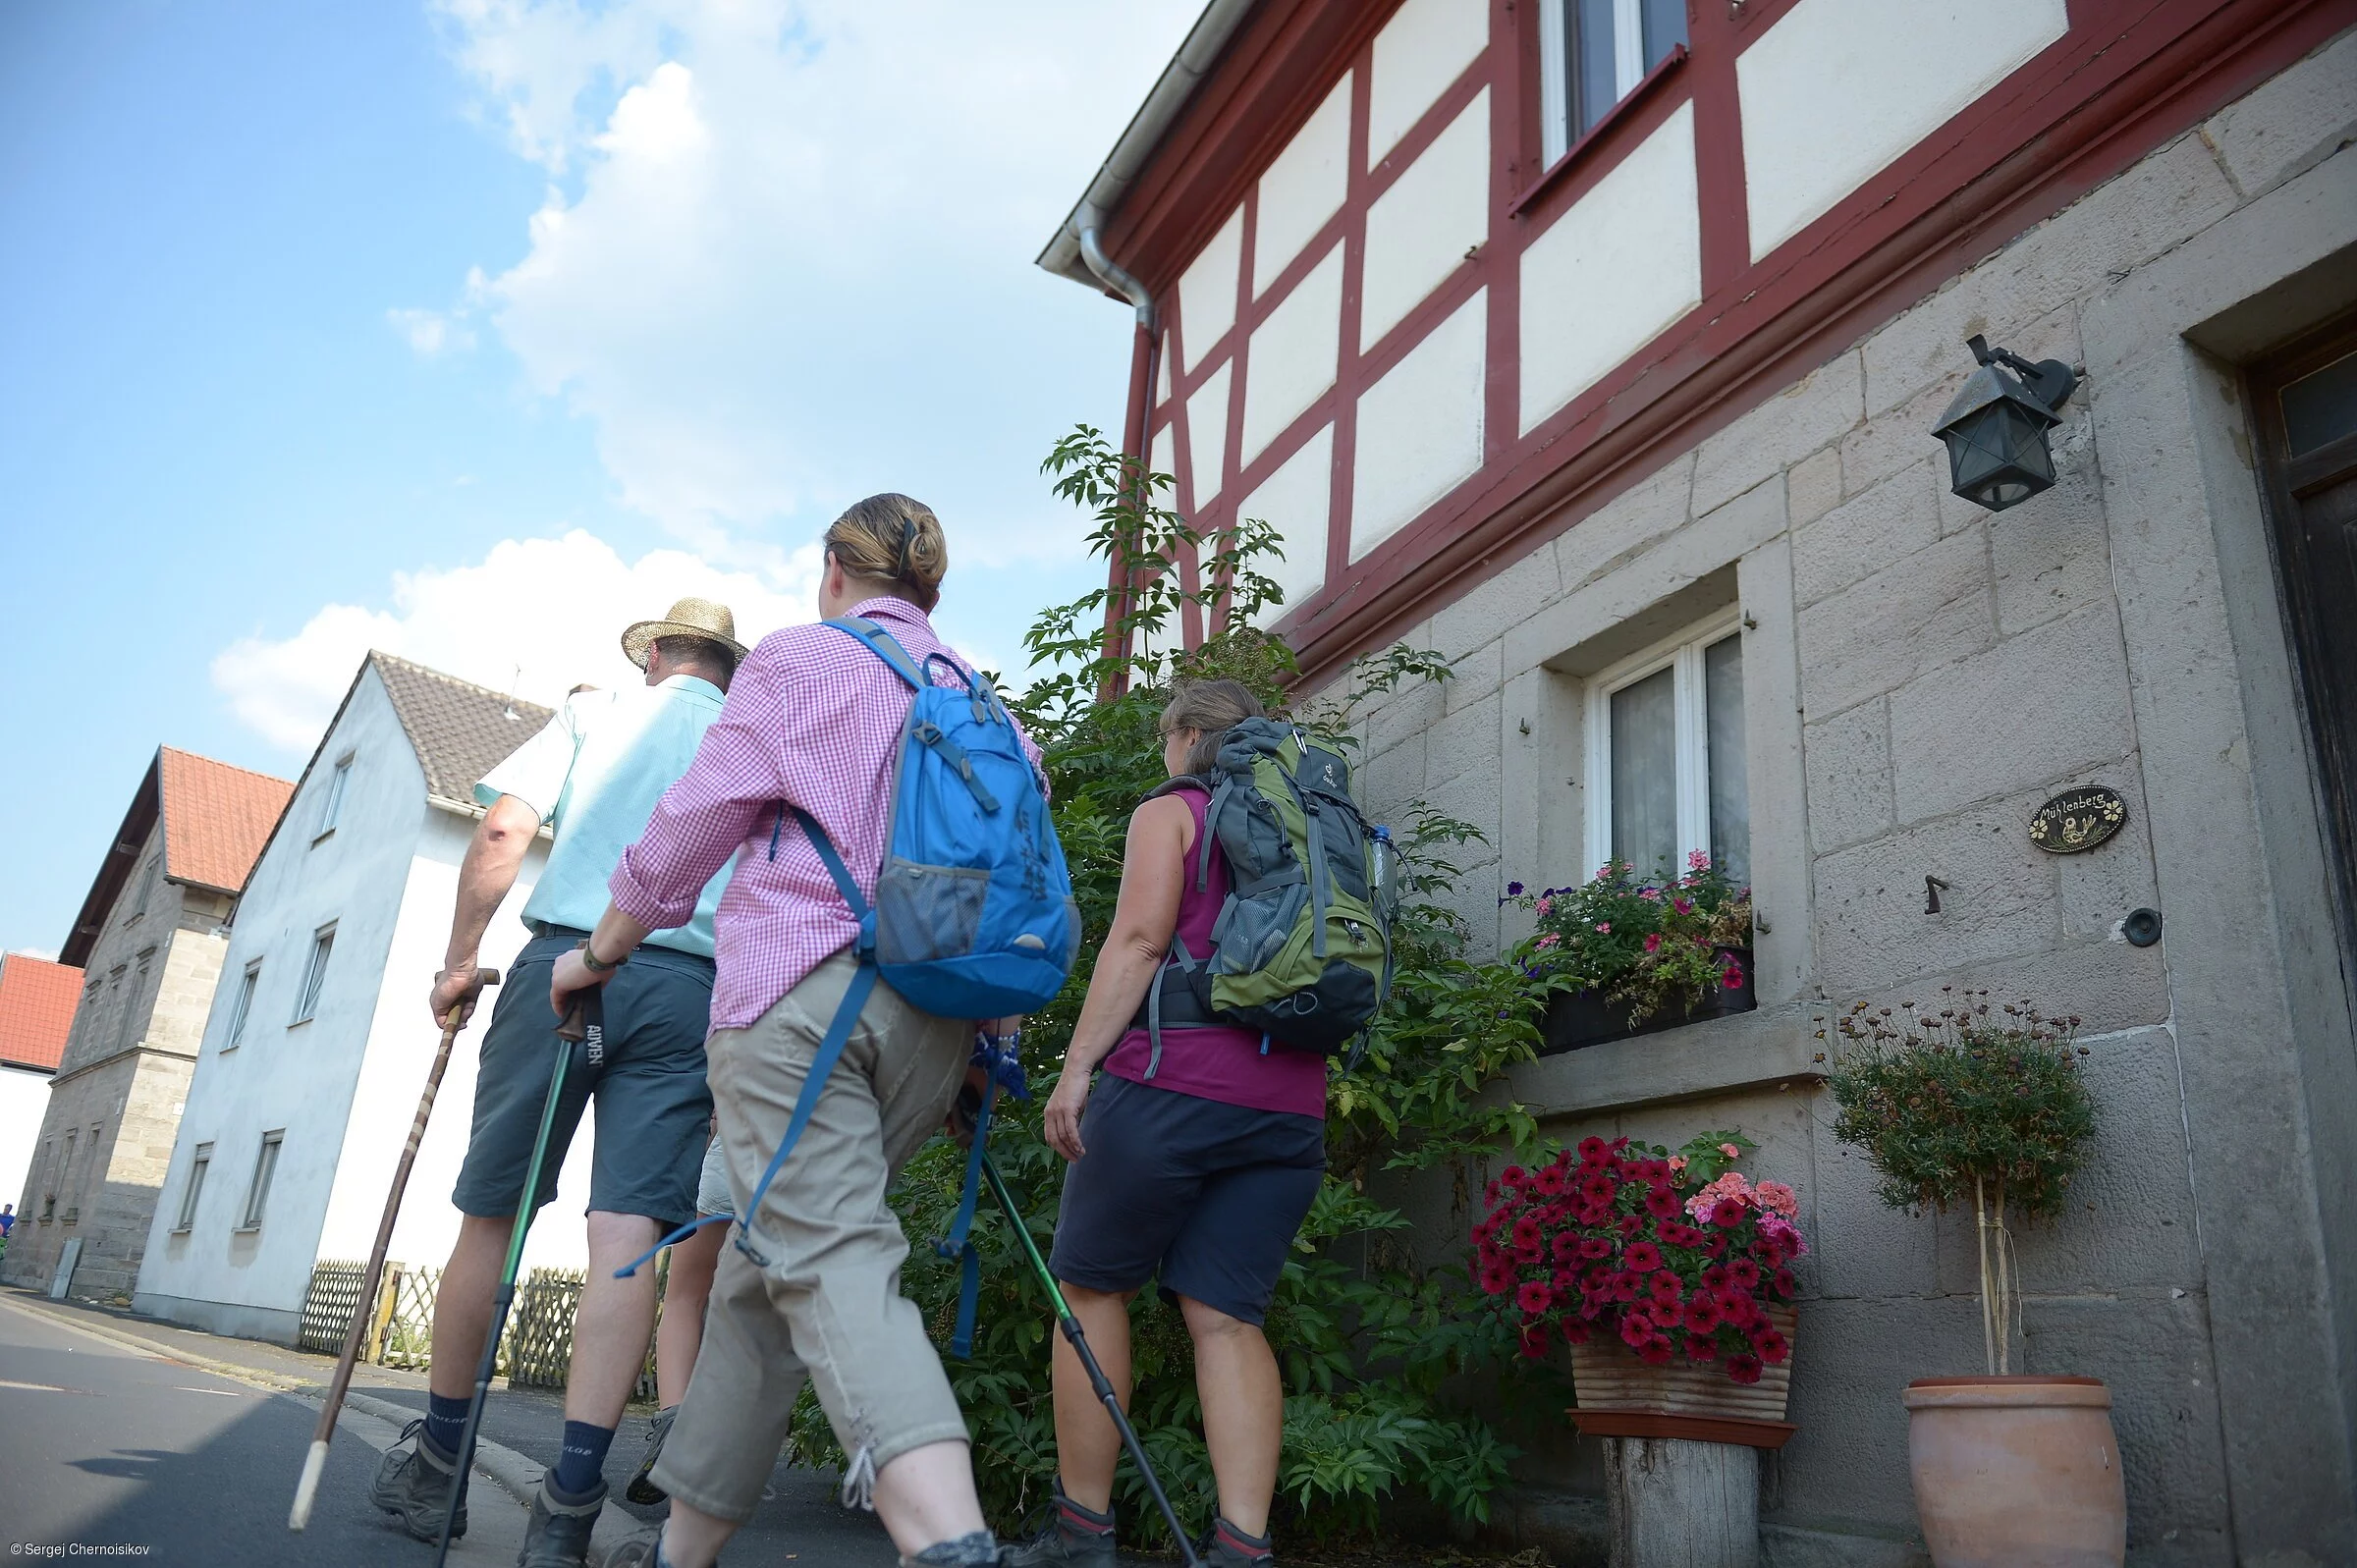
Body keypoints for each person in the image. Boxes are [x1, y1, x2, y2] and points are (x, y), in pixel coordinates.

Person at [551, 495, 1025, 1568]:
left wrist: (599, 951)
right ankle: (679, 1553)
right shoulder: (981, 700)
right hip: (934, 1031)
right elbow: (1003, 889)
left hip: (800, 1006)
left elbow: (689, 829)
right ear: (933, 592)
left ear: (831, 571)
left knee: (832, 1253)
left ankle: (949, 1541)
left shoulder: (799, 662)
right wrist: (989, 1052)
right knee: (765, 1281)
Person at [370, 598, 746, 1568]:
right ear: (727, 668)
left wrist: (459, 961)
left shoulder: (592, 714)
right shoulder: (751, 740)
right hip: (687, 989)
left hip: (562, 966)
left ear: (655, 653)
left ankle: (439, 1465)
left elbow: (502, 831)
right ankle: (570, 1504)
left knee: (491, 1216)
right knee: (627, 1242)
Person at [1009, 679, 1325, 1568]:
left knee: (1092, 1288)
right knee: (1225, 1316)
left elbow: (1142, 941)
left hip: (1169, 1085)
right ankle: (1241, 1546)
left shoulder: (1176, 810)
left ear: (1185, 736)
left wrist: (1075, 1070)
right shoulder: (1311, 823)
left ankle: (1082, 1531)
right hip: (1290, 1104)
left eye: (1164, 738)